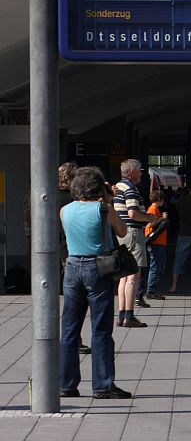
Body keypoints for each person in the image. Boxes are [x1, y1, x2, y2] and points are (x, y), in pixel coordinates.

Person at [59, 166, 131, 399]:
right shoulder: (104, 209)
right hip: (98, 268)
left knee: (70, 329)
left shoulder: (64, 210)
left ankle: (66, 384)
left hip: (71, 268)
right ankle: (102, 385)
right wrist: (108, 199)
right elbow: (122, 231)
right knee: (100, 329)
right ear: (99, 187)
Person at [113, 158, 164, 328]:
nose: (142, 173)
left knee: (123, 276)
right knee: (134, 276)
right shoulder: (131, 189)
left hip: (121, 232)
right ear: (132, 171)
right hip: (133, 232)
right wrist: (149, 218)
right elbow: (133, 213)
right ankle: (129, 315)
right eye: (140, 169)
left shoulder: (118, 186)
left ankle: (121, 315)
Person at [57, 162, 90, 355]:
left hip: (54, 247)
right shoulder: (73, 199)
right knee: (75, 300)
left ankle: (69, 339)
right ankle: (74, 340)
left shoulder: (49, 195)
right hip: (71, 249)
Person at [141, 190, 169, 305]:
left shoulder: (154, 209)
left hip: (158, 242)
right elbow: (150, 224)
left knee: (158, 267)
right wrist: (162, 218)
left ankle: (152, 290)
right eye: (162, 199)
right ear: (159, 199)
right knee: (155, 267)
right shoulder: (153, 210)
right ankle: (150, 291)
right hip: (156, 242)